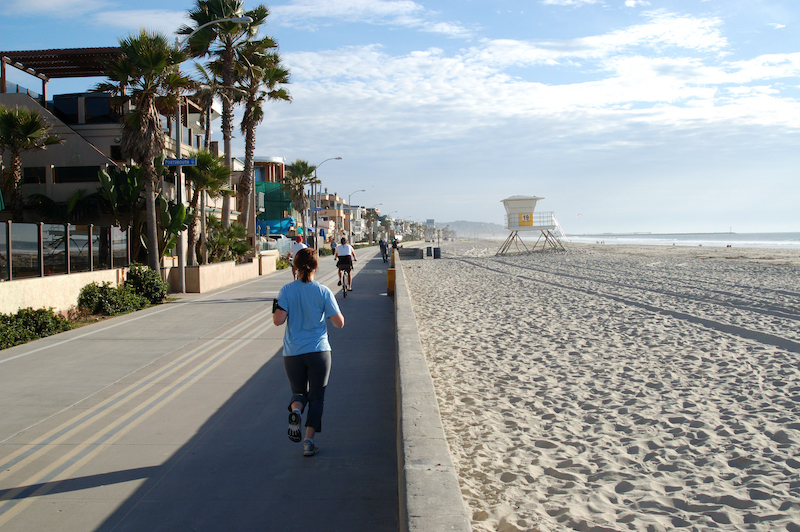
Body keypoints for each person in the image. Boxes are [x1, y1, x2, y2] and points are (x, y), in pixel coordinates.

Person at [273, 247, 345, 457]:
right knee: (316, 398)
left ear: (295, 266)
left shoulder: (286, 290)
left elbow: (278, 320)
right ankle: (308, 441)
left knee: (298, 393)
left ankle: (296, 412)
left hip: (293, 352)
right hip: (318, 351)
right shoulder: (323, 292)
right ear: (316, 266)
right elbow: (339, 323)